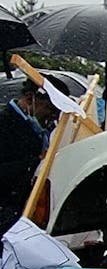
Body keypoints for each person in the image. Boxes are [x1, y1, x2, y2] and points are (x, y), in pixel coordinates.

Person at [0, 76, 68, 236]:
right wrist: (35, 162)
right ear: (31, 99)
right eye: (51, 109)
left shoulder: (45, 130)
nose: (53, 116)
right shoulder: (5, 124)